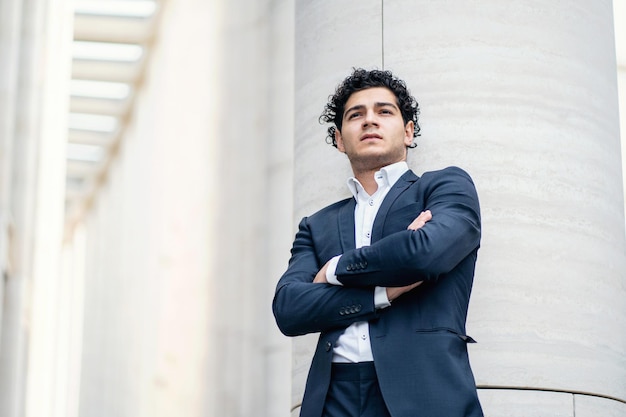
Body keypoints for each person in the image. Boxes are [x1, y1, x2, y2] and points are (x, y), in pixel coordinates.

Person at [272, 68, 483, 417]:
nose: (370, 120)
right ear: (340, 139)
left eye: (384, 111)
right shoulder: (317, 224)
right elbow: (289, 309)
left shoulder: (444, 187)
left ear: (409, 131)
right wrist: (381, 292)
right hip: (331, 400)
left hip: (424, 392)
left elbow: (424, 255)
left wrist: (335, 269)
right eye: (356, 115)